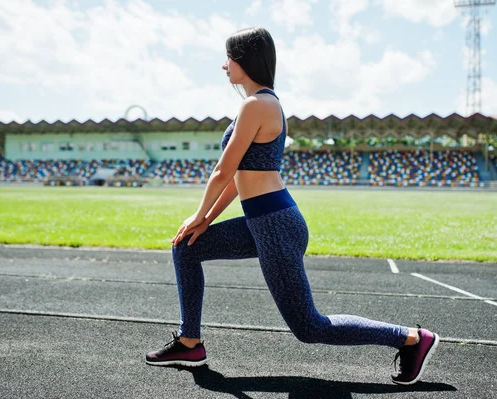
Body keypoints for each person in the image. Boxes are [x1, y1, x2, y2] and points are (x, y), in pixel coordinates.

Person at [145, 26, 439, 386]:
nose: (224, 67)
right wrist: (204, 221)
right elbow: (238, 180)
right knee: (187, 247)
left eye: (228, 58)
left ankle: (412, 338)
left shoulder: (257, 105)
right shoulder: (256, 105)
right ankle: (190, 342)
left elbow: (223, 170)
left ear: (244, 60)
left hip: (276, 225)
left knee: (308, 326)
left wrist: (198, 212)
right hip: (263, 221)